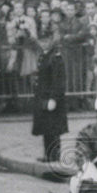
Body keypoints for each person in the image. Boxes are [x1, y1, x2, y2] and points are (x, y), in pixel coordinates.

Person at [32, 33, 67, 163]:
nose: (44, 43)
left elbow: (59, 81)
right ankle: (48, 155)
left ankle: (54, 155)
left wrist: (54, 98)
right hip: (43, 96)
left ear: (51, 41)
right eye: (42, 41)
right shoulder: (44, 55)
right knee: (46, 127)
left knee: (53, 128)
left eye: (46, 41)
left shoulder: (55, 57)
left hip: (51, 97)